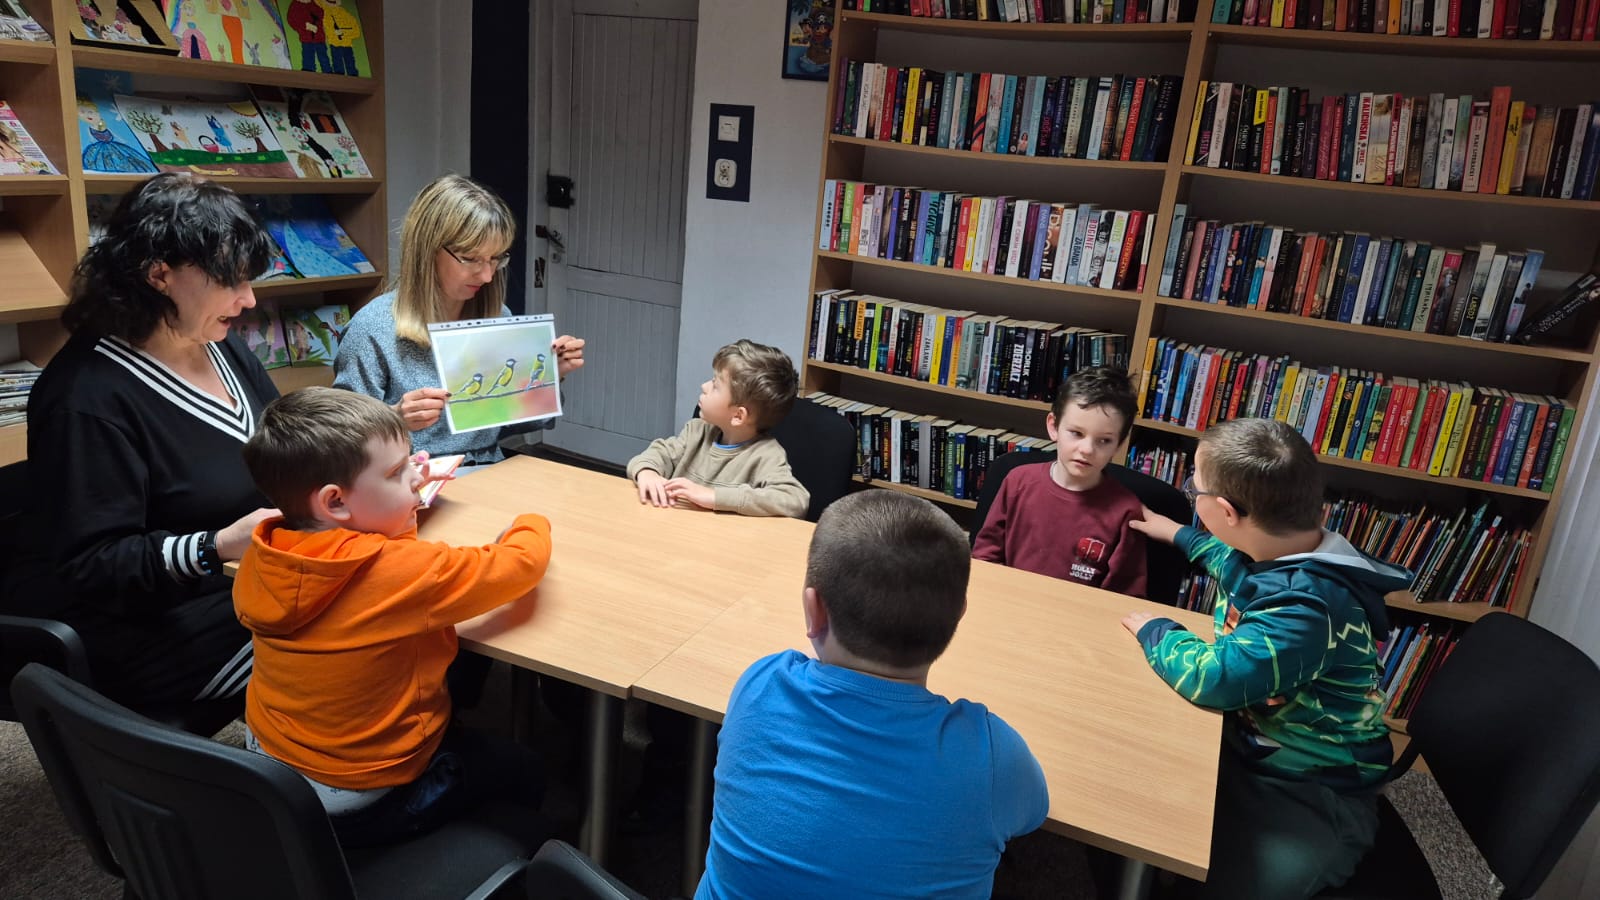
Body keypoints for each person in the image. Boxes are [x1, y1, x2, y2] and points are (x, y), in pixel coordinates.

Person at [3, 173, 279, 713]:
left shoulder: (217, 342)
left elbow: (282, 440)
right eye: (232, 281)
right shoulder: (85, 396)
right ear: (159, 275)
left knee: (382, 592)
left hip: (235, 583)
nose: (248, 299)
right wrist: (216, 545)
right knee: (350, 630)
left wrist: (370, 461)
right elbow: (96, 563)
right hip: (142, 628)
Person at [234, 386, 551, 846]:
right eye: (398, 471)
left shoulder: (268, 550)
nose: (417, 477)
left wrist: (398, 501)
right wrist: (532, 520)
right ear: (335, 502)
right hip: (364, 789)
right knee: (525, 769)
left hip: (270, 764)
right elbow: (521, 565)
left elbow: (374, 559)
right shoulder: (399, 573)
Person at [698, 490, 1048, 899]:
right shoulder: (993, 755)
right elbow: (1033, 814)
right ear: (959, 615)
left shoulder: (761, 683)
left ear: (813, 609)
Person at [1122, 418, 1411, 899]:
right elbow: (1228, 559)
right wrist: (1177, 534)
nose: (1191, 491)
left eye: (1195, 487)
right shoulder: (1283, 547)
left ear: (1226, 511)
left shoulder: (1304, 610)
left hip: (1313, 783)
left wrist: (1157, 630)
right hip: (1256, 739)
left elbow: (1214, 678)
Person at [334, 174, 585, 466]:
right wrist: (393, 418)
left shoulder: (497, 316)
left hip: (488, 469)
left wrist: (548, 378)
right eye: (471, 258)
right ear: (428, 250)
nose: (487, 276)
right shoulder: (372, 329)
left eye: (496, 258)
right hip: (410, 477)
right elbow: (339, 443)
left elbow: (517, 424)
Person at [973, 366, 1147, 598]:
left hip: (1078, 615)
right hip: (1010, 604)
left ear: (1119, 444)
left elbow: (1124, 597)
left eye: (1104, 440)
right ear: (1054, 426)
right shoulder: (1018, 482)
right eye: (1076, 433)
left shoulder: (1126, 511)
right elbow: (985, 558)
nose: (1087, 449)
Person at [627, 339, 809, 518]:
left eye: (715, 385)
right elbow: (658, 453)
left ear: (738, 416)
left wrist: (714, 496)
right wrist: (647, 472)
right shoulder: (696, 431)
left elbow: (794, 500)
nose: (704, 386)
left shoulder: (766, 455)